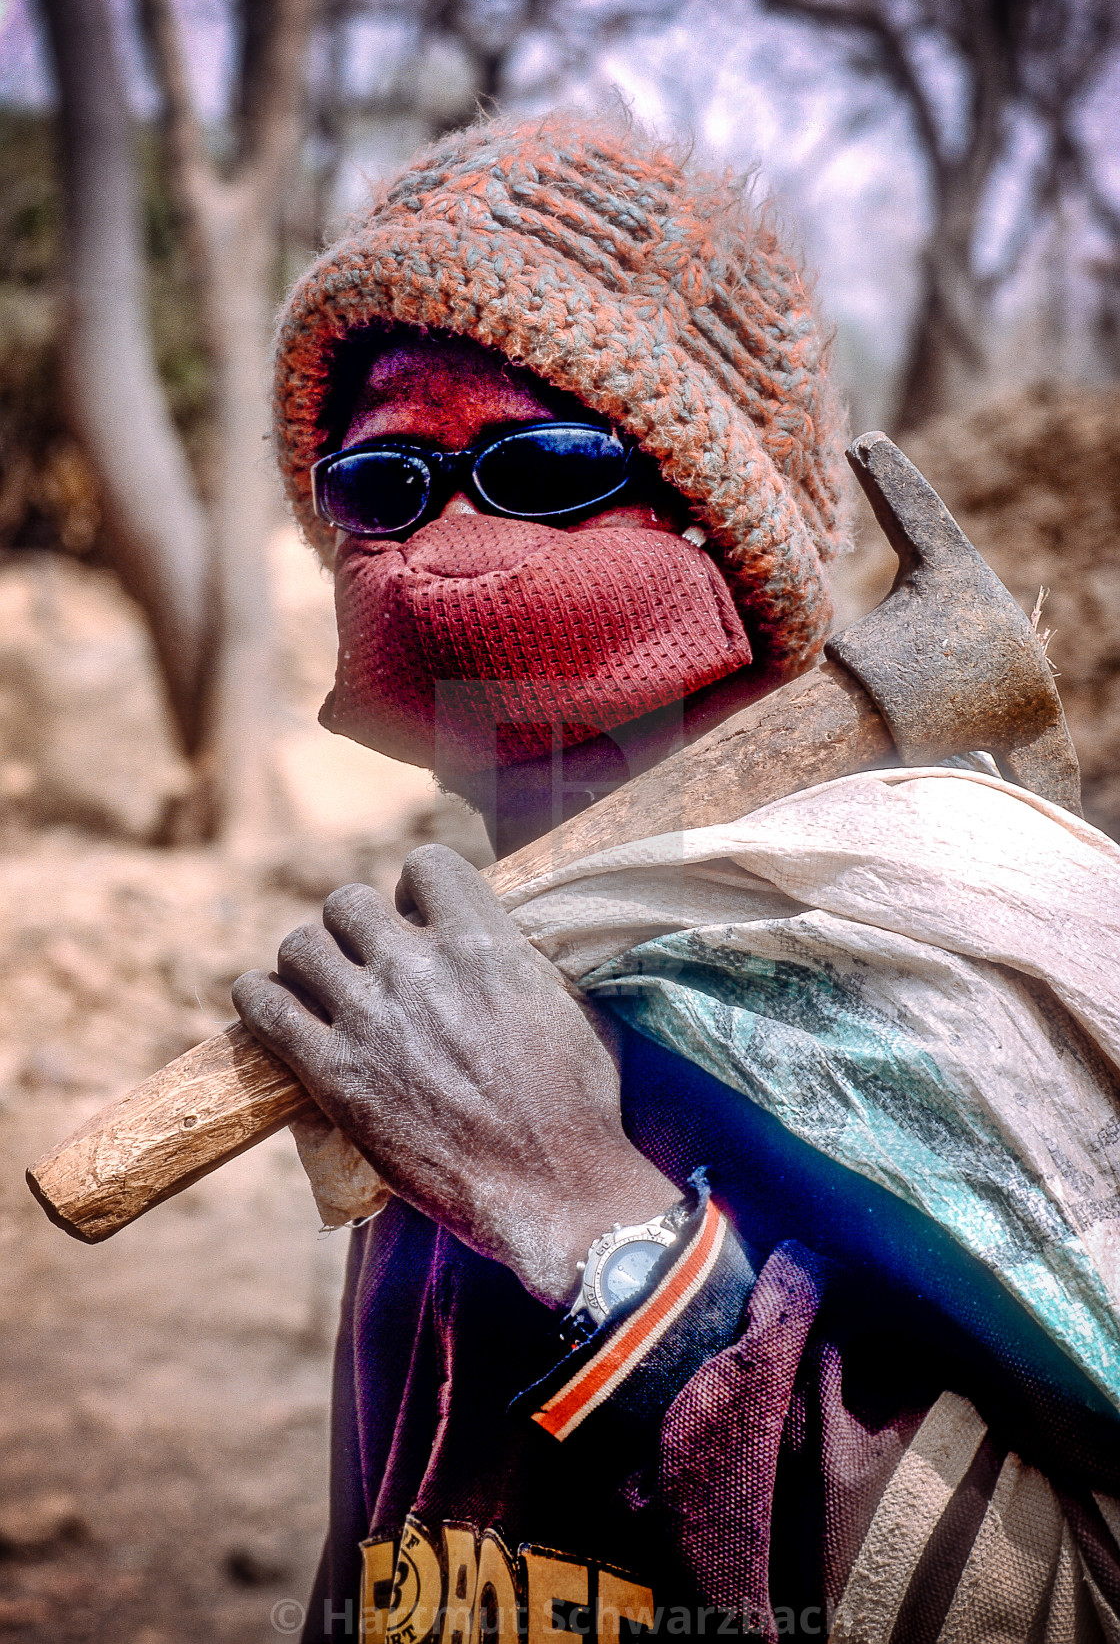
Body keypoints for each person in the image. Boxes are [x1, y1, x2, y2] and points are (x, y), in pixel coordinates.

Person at [235, 114, 1120, 1642]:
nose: (442, 540)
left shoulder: (952, 966)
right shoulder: (462, 989)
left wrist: (590, 1220)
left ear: (723, 531)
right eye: (379, 485)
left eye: (544, 464)